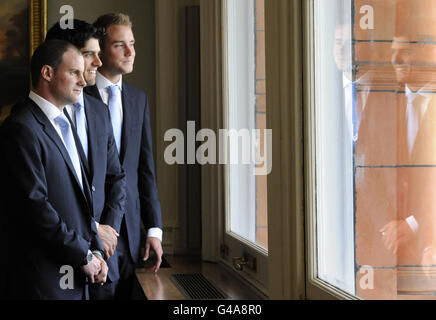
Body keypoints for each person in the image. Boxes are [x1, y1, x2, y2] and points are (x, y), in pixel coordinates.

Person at [0, 39, 107, 299]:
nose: (83, 81)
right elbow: (35, 207)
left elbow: (81, 200)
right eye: (74, 73)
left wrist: (95, 251)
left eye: (83, 74)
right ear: (47, 73)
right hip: (43, 282)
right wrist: (83, 254)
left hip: (76, 276)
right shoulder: (21, 127)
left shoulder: (64, 124)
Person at [45, 20, 127, 294]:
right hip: (59, 266)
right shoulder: (38, 121)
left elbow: (117, 178)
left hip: (105, 260)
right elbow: (42, 201)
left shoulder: (98, 110)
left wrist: (108, 234)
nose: (97, 62)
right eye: (89, 54)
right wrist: (93, 231)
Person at [85, 13, 163, 299]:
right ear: (100, 50)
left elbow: (145, 168)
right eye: (120, 45)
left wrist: (154, 229)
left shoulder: (138, 98)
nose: (131, 52)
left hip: (130, 236)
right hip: (91, 233)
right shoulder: (78, 96)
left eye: (132, 43)